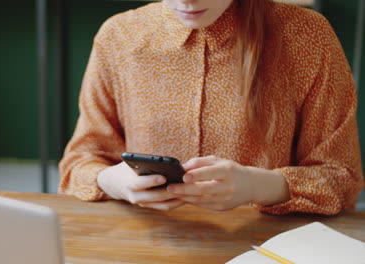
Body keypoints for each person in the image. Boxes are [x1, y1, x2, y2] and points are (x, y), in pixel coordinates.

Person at [58, 0, 364, 215]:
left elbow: (342, 179)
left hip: (265, 246)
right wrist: (112, 181)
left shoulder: (307, 36)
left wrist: (259, 185)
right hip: (145, 241)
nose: (187, 1)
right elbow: (78, 165)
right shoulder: (118, 36)